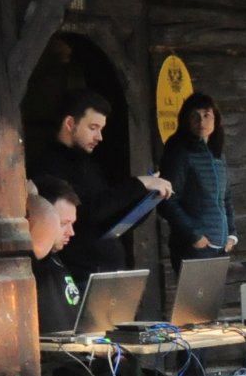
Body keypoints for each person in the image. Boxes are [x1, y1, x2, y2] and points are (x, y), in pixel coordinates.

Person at [28, 92, 172, 278]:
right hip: (79, 275)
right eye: (93, 128)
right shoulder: (48, 166)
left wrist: (146, 199)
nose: (100, 137)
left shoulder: (89, 163)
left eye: (101, 129)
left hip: (109, 271)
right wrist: (139, 183)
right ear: (70, 123)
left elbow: (109, 217)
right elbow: (86, 213)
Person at [158, 92, 236, 265]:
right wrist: (195, 235)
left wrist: (231, 234)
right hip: (195, 247)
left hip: (221, 245)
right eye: (195, 116)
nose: (202, 122)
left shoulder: (217, 153)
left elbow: (226, 198)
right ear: (186, 120)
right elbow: (167, 200)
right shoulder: (179, 152)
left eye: (207, 116)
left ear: (216, 119)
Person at [28, 177, 82, 335]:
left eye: (72, 224)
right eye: (63, 224)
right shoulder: (35, 261)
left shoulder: (56, 260)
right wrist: (32, 197)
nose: (71, 232)